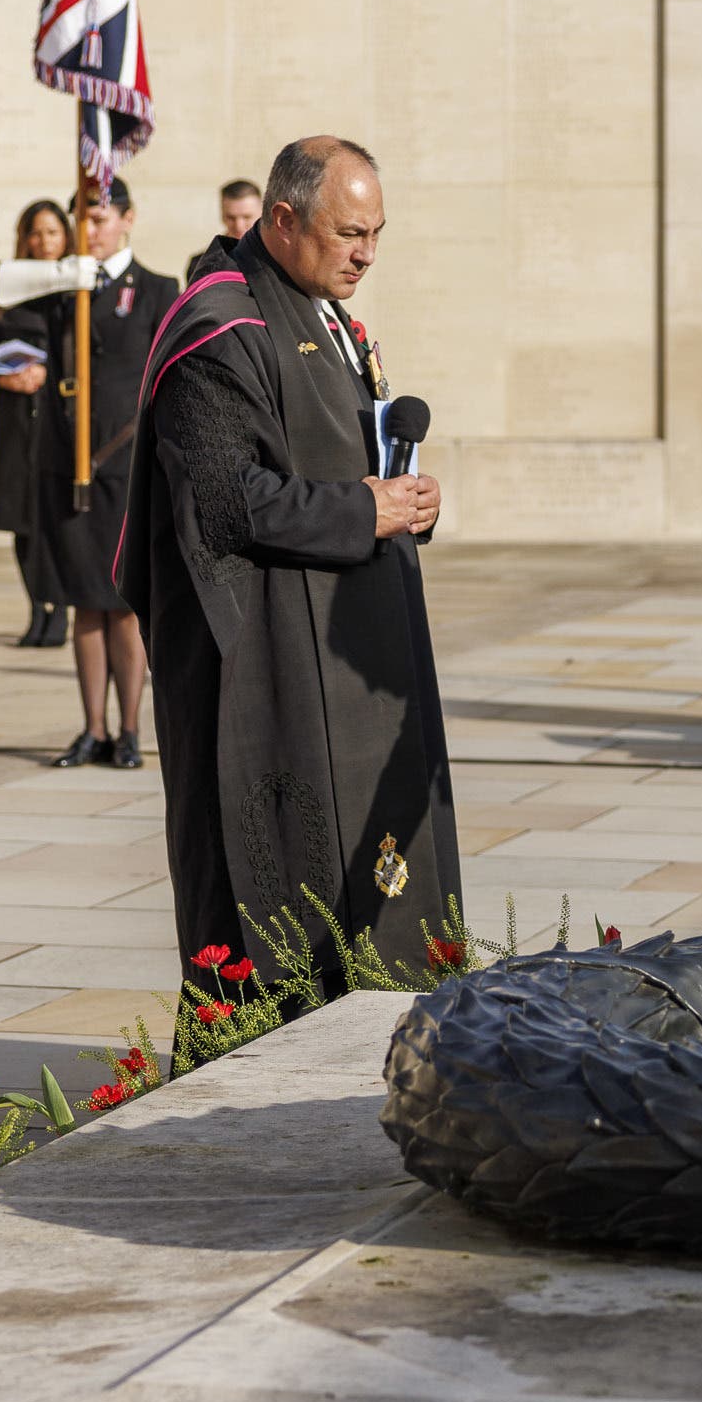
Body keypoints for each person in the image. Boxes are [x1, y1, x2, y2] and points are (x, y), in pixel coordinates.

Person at [128, 133, 458, 990]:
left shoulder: (322, 312)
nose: (367, 254)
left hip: (343, 660)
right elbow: (227, 501)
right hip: (263, 671)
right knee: (281, 906)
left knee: (376, 893)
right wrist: (362, 508)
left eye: (377, 232)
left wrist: (404, 501)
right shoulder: (217, 327)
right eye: (350, 233)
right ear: (282, 219)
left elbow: (337, 459)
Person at [30, 176, 175, 766]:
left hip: (128, 464)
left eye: (99, 218)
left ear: (127, 219)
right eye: (80, 220)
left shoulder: (158, 289)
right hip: (68, 464)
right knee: (82, 602)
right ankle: (91, 727)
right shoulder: (61, 289)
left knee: (123, 602)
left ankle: (131, 730)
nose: (88, 231)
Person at [0, 199, 73, 649]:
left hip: (57, 415)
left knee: (56, 518)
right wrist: (2, 374)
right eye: (36, 233)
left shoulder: (75, 286)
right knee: (21, 518)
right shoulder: (8, 288)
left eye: (51, 232)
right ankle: (36, 608)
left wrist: (48, 373)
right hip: (15, 418)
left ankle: (61, 610)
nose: (43, 242)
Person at [186, 177, 262, 286]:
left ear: (262, 213)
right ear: (222, 214)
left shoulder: (279, 258)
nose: (238, 226)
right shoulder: (201, 264)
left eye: (247, 217)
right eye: (231, 217)